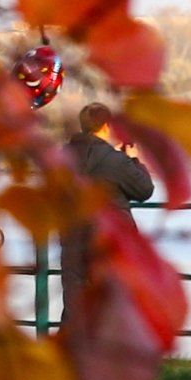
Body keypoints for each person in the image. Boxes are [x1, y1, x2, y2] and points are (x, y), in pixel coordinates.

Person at [59, 102, 153, 309]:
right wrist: (134, 161)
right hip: (109, 242)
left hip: (72, 239)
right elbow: (144, 190)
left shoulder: (62, 157)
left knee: (75, 309)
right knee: (114, 306)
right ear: (106, 126)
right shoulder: (116, 161)